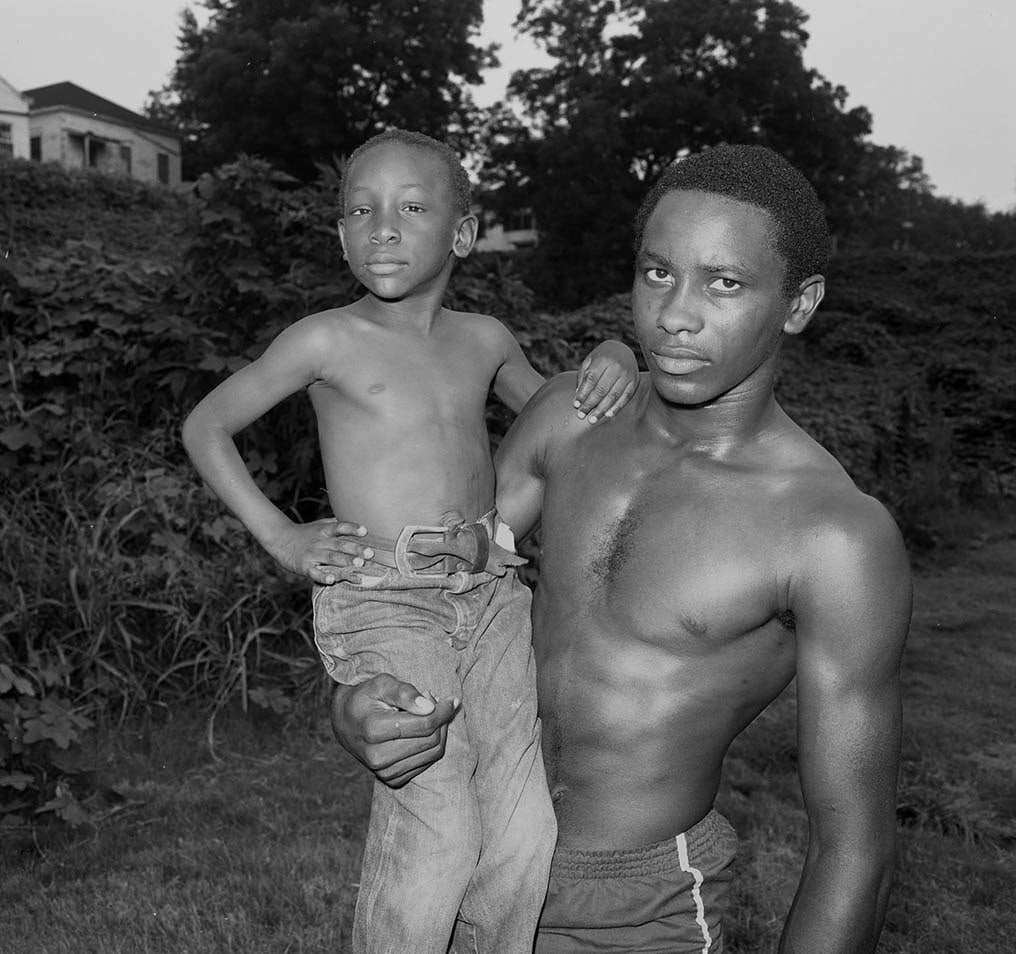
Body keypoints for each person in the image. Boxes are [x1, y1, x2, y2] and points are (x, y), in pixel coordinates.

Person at [332, 144, 913, 953]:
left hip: (635, 909)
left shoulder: (833, 534)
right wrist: (357, 704)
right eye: (656, 273)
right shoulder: (569, 420)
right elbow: (430, 590)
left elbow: (855, 850)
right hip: (476, 854)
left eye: (725, 283)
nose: (675, 313)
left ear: (799, 302)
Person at [181, 128, 640, 954]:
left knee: (526, 828)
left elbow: (565, 425)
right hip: (385, 599)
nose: (382, 227)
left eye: (411, 208)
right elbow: (207, 423)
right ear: (341, 232)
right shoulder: (325, 338)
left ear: (461, 234)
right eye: (360, 210)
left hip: (493, 596)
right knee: (438, 826)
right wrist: (281, 536)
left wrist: (612, 355)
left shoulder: (486, 339)